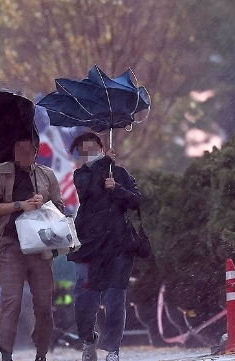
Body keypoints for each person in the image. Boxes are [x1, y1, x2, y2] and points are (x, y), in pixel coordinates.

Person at [0, 138, 65, 361]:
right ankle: (5, 351)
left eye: (30, 151)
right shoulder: (1, 174)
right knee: (12, 300)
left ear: (37, 152)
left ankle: (41, 350)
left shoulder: (46, 175)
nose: (25, 155)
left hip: (40, 245)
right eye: (20, 150)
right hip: (11, 243)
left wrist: (44, 204)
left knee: (43, 303)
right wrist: (19, 205)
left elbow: (59, 207)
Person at [66, 131, 141, 361]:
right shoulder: (81, 174)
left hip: (118, 245)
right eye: (83, 149)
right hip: (88, 247)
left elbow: (136, 200)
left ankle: (112, 348)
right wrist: (104, 163)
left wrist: (117, 188)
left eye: (93, 147)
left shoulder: (120, 174)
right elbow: (87, 192)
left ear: (101, 146)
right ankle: (88, 340)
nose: (89, 153)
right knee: (85, 298)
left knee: (115, 297)